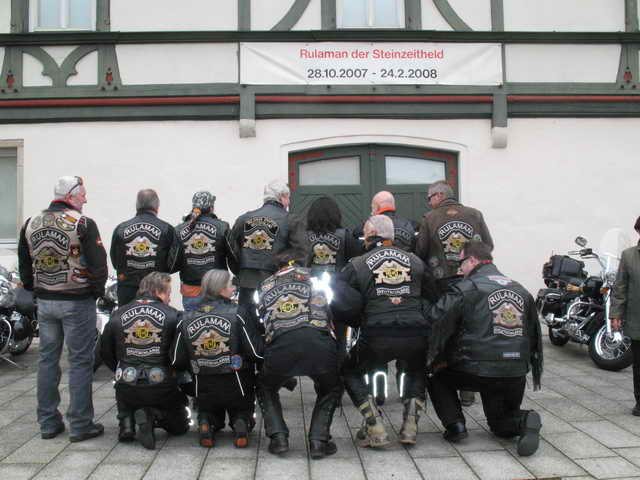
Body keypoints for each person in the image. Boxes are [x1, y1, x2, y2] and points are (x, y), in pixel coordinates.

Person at [426, 241, 543, 456]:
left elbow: (436, 319)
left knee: (436, 375)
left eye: (461, 263)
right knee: (500, 426)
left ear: (472, 260)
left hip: (475, 370)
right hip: (515, 373)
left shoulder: (465, 288)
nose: (459, 269)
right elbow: (534, 335)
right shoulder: (521, 289)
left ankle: (455, 425)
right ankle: (525, 420)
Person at [18, 175, 107, 442]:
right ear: (70, 196)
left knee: (47, 360)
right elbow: (98, 265)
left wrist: (36, 290)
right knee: (80, 361)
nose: (85, 200)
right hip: (77, 300)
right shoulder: (82, 223)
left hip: (45, 302)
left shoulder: (30, 223)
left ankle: (48, 422)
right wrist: (95, 293)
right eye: (82, 195)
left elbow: (24, 265)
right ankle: (80, 424)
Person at [338, 215, 436, 447]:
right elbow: (432, 296)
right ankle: (410, 425)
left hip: (376, 335)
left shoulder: (357, 264)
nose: (362, 239)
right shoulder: (416, 261)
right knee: (416, 369)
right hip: (415, 332)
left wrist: (358, 320)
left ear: (371, 235)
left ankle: (374, 424)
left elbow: (343, 300)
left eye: (364, 234)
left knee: (349, 370)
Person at [256, 250, 342, 459]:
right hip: (319, 344)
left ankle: (278, 438)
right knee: (331, 387)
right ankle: (318, 441)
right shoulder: (316, 279)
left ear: (277, 268)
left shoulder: (264, 286)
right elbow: (332, 307)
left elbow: (260, 318)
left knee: (266, 386)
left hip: (281, 347)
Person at [416, 180, 494, 407]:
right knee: (469, 330)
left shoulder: (429, 218)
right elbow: (488, 246)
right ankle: (468, 390)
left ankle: (442, 381)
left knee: (444, 332)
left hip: (442, 284)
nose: (429, 202)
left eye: (430, 198)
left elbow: (420, 252)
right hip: (472, 281)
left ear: (439, 195)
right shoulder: (475, 215)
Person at [171, 269, 262, 448]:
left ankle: (206, 422)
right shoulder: (238, 313)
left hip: (203, 385)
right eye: (230, 285)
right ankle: (241, 422)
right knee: (242, 409)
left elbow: (176, 359)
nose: (234, 288)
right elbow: (255, 352)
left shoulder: (186, 317)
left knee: (208, 410)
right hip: (237, 382)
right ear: (221, 289)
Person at [100, 272, 189, 450]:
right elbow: (180, 355)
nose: (170, 298)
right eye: (168, 293)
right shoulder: (173, 315)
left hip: (126, 384)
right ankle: (154, 414)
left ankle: (127, 422)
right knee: (181, 428)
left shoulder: (118, 314)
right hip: (162, 386)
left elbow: (104, 352)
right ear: (157, 291)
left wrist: (120, 367)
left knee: (124, 388)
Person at [303, 196, 361, 364]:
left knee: (313, 335)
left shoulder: (303, 237)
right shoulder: (345, 235)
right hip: (337, 294)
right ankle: (338, 372)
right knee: (340, 337)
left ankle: (319, 372)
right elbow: (356, 262)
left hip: (310, 294)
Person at [229, 179, 292, 331]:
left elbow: (231, 249)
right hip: (277, 284)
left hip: (246, 283)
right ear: (282, 197)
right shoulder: (289, 220)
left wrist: (240, 270)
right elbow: (299, 253)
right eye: (288, 198)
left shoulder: (244, 218)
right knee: (276, 326)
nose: (289, 202)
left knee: (246, 327)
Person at [110, 189, 179, 306]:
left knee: (126, 317)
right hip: (157, 290)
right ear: (157, 206)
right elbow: (173, 263)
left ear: (137, 205)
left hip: (127, 289)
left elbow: (115, 261)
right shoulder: (167, 229)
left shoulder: (120, 229)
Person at [174, 191, 233, 311]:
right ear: (211, 208)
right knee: (217, 322)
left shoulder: (179, 229)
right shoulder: (222, 227)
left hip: (190, 290)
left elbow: (173, 264)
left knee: (192, 321)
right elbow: (233, 256)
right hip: (217, 288)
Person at [610, 216, 640, 415]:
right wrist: (616, 314)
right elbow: (620, 287)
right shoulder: (629, 256)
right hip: (637, 318)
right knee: (639, 365)